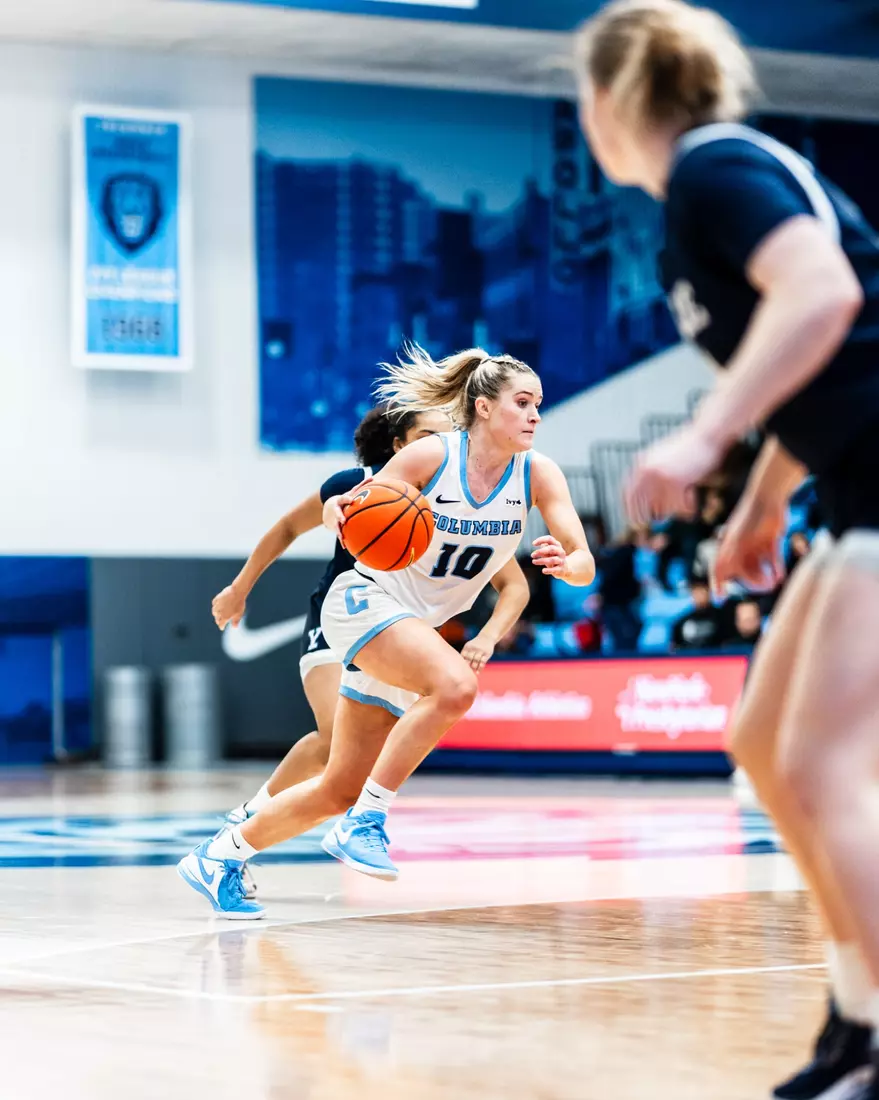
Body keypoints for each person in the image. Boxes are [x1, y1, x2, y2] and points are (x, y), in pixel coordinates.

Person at [576, 3, 879, 1097]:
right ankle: (858, 1023)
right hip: (849, 482)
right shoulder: (703, 192)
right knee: (761, 742)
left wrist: (708, 433)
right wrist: (760, 502)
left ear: (606, 102)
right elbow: (829, 361)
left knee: (817, 762)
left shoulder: (713, 170)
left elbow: (826, 294)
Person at [178, 347, 595, 916]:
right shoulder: (433, 454)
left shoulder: (538, 474)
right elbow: (355, 503)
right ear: (483, 406)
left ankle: (219, 855)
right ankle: (369, 819)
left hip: (410, 629)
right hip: (361, 602)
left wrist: (571, 565)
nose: (535, 415)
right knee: (455, 688)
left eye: (538, 405)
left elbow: (583, 559)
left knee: (337, 784)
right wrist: (337, 512)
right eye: (523, 403)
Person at [209, 404, 450, 894]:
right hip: (336, 616)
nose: (440, 448)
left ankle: (241, 830)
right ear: (400, 443)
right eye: (429, 435)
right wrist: (239, 588)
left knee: (340, 763)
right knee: (333, 733)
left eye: (447, 438)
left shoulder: (450, 498)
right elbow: (286, 529)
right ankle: (237, 835)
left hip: (392, 627)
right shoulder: (356, 480)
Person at [670, 576, 723, 651]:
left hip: (716, 659)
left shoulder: (723, 617)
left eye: (702, 591)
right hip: (690, 660)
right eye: (696, 591)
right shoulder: (681, 622)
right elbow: (674, 649)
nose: (699, 595)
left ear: (709, 592)